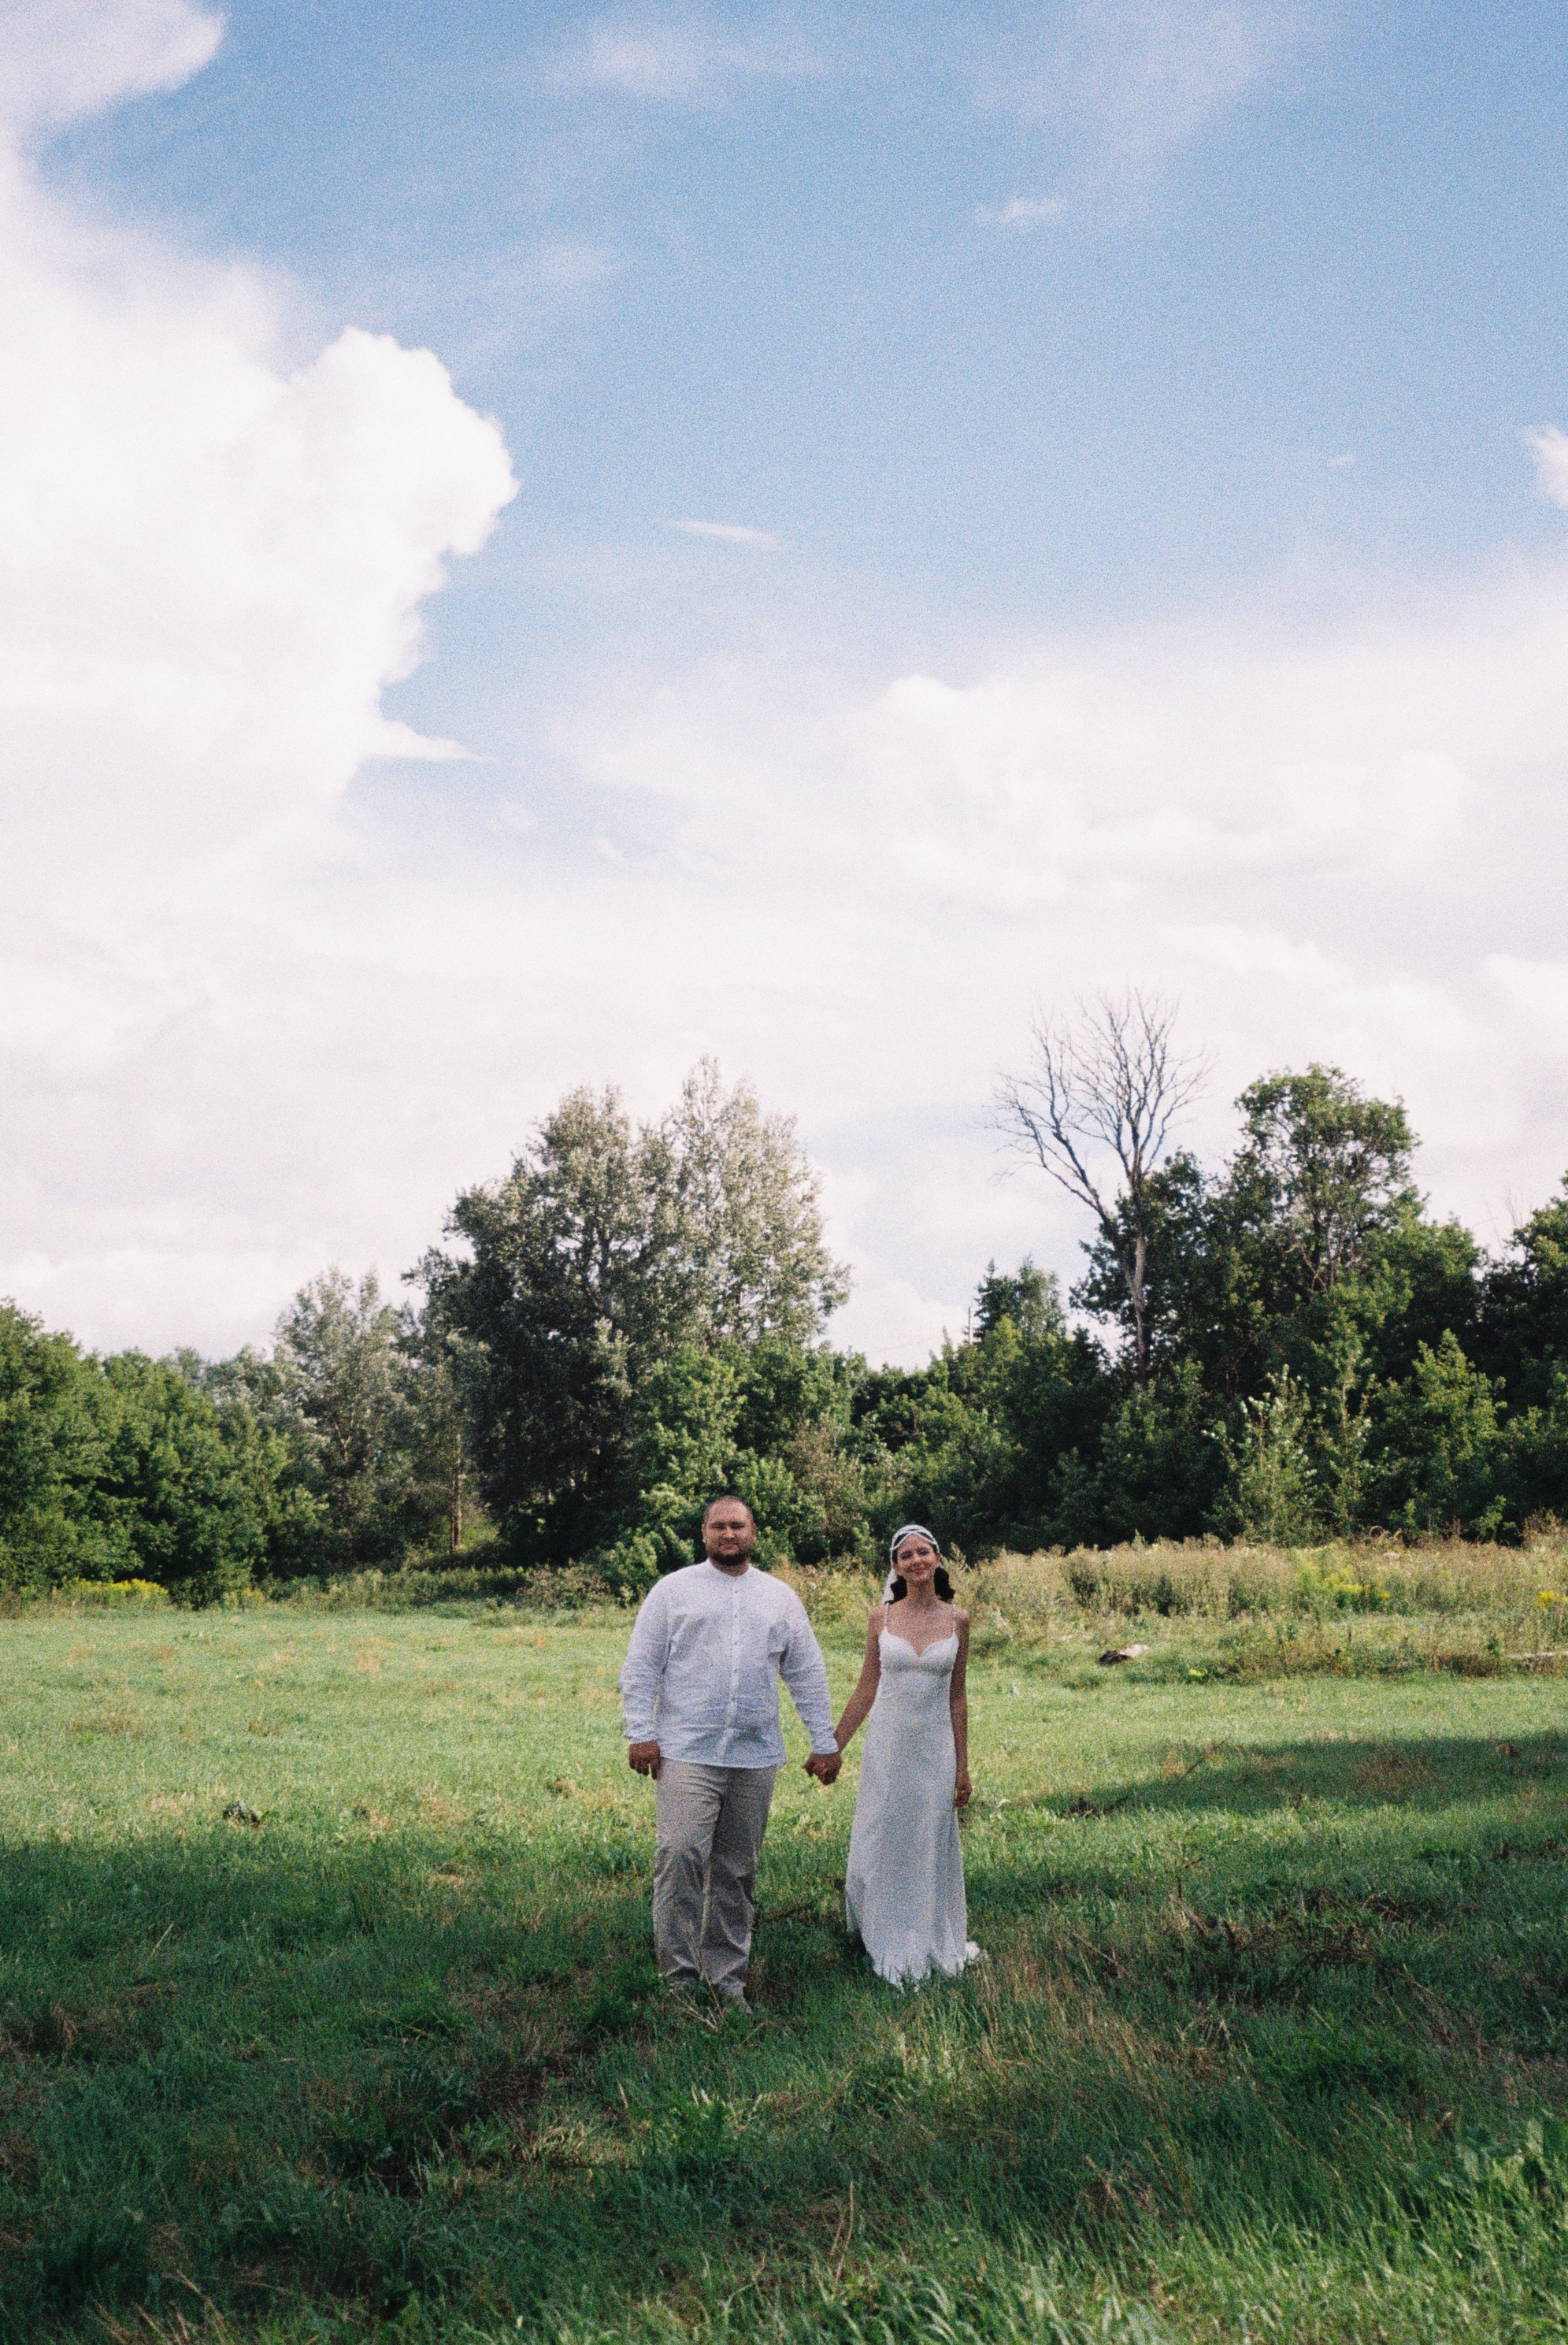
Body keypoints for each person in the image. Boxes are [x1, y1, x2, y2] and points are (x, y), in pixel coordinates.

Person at [620, 1495, 842, 2013]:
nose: (728, 1534)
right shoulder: (672, 1591)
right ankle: (678, 1981)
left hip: (753, 1755)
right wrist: (640, 1731)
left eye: (737, 1525)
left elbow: (806, 1672)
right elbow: (642, 1665)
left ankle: (726, 1978)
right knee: (679, 1856)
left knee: (736, 1871)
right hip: (686, 1750)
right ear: (703, 1533)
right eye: (718, 1526)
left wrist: (823, 1741)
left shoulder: (779, 1597)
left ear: (753, 1531)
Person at [834, 1522, 980, 1987]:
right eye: (906, 1555)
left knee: (929, 1835)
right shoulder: (880, 1619)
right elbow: (865, 1689)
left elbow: (958, 1697)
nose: (916, 1561)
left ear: (938, 1558)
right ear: (896, 1567)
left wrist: (962, 1767)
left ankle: (930, 1931)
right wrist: (832, 1746)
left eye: (924, 1552)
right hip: (889, 1746)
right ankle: (881, 1930)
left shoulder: (958, 1620)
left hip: (935, 1749)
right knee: (885, 1833)